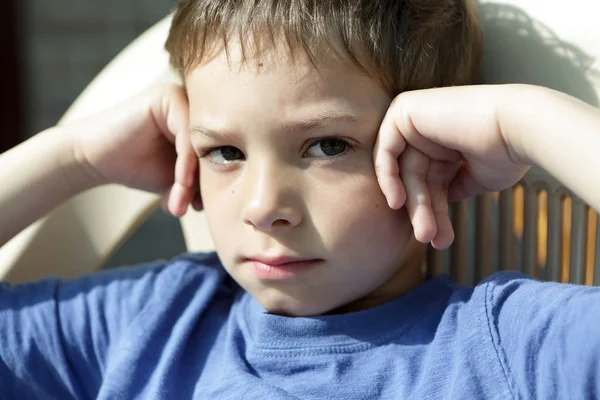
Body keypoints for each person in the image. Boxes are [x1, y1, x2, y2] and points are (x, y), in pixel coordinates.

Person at [1, 1, 599, 399]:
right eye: (225, 152)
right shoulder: (151, 326)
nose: (264, 207)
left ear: (438, 146)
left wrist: (520, 120)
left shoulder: (506, 348)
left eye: (327, 145)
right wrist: (73, 155)